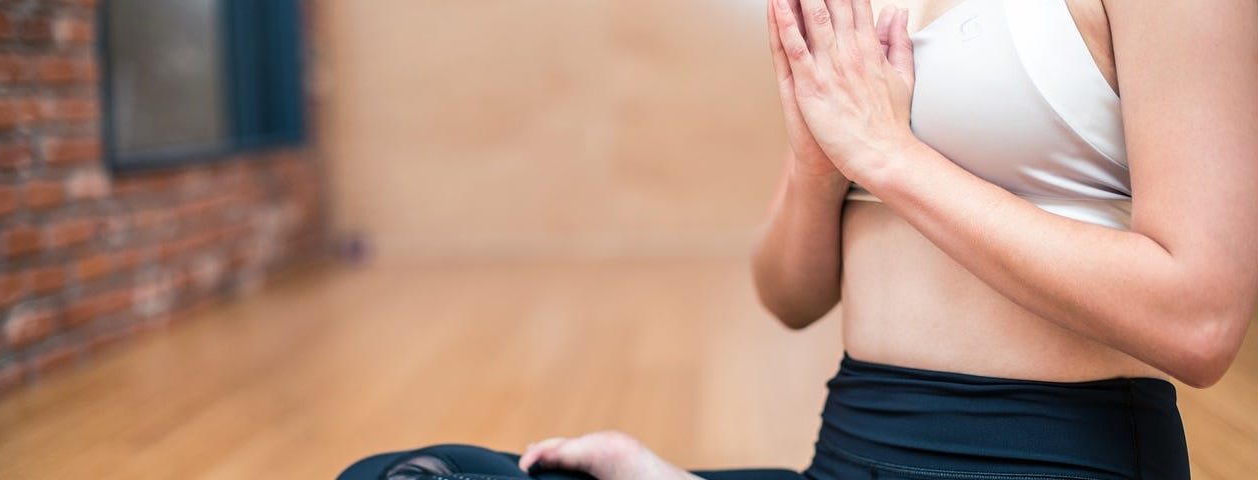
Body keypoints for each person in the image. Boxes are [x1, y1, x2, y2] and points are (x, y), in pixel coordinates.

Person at [338, 0, 1258, 478]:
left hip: (1037, 457)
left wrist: (891, 157)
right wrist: (821, 166)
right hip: (847, 454)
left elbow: (1200, 318)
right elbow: (790, 295)